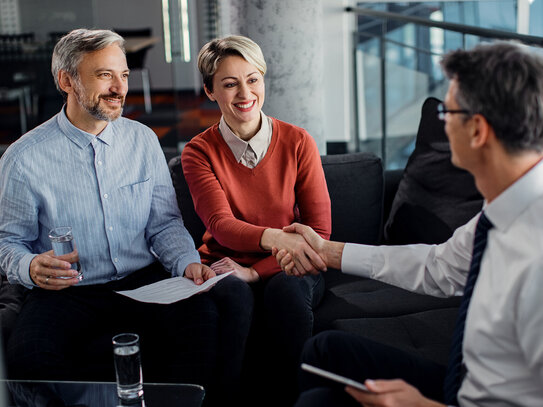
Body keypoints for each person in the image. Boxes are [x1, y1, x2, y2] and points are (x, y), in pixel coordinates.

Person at [274, 41, 543, 406]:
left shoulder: (534, 253)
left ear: (478, 130)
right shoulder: (501, 210)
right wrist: (327, 251)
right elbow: (439, 267)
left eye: (448, 113)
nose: (442, 123)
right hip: (463, 383)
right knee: (325, 351)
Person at [0, 29, 252, 401]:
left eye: (124, 75)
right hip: (68, 293)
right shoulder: (23, 159)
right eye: (104, 75)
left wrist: (185, 262)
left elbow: (164, 223)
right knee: (29, 358)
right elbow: (8, 243)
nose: (120, 88)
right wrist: (30, 266)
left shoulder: (144, 140)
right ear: (66, 80)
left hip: (145, 283)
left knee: (202, 325)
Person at [181, 35, 331, 404]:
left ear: (263, 80)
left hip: (293, 262)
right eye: (229, 84)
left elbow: (320, 232)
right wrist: (279, 239)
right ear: (210, 91)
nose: (244, 92)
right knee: (232, 294)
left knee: (286, 291)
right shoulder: (198, 152)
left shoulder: (299, 142)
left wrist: (256, 271)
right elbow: (221, 225)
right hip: (223, 262)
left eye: (252, 79)